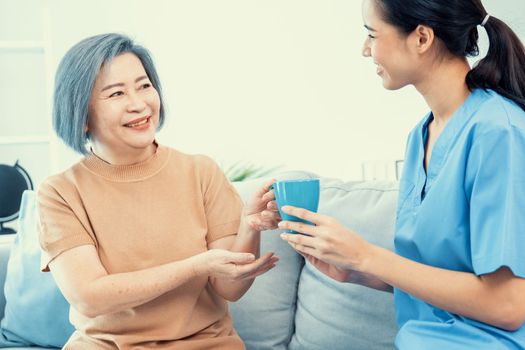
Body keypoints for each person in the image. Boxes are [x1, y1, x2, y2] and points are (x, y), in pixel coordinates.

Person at [279, 0, 525, 348]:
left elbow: (508, 305)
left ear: (422, 38)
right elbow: (445, 277)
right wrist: (357, 270)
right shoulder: (419, 138)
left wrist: (368, 255)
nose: (366, 50)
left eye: (372, 34)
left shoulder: (498, 132)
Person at [37, 33, 281, 350]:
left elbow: (230, 289)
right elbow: (90, 297)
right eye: (116, 94)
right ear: (80, 114)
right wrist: (197, 265)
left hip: (206, 344)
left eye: (144, 86)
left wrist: (249, 226)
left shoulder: (201, 172)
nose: (139, 104)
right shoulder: (60, 192)